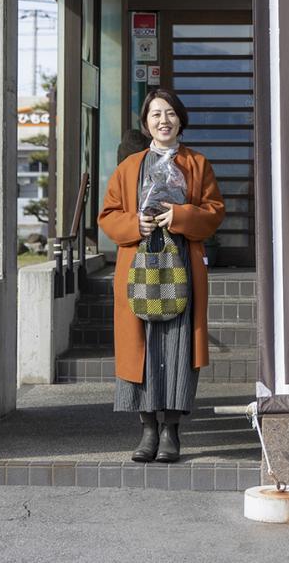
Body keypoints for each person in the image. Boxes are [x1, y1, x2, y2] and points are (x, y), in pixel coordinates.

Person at [97, 88, 224, 463]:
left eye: (169, 113)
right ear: (145, 122)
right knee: (144, 348)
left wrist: (181, 217)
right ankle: (147, 430)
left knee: (178, 346)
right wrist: (136, 222)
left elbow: (214, 212)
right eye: (155, 114)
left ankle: (171, 431)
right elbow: (108, 215)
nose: (163, 120)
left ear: (181, 119)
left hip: (181, 264)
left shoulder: (197, 163)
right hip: (139, 265)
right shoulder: (128, 167)